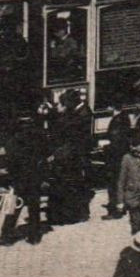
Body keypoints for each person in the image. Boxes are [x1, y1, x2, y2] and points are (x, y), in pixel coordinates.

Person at [0, 109, 50, 246]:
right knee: (34, 206)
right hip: (35, 175)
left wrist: (7, 171)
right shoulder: (40, 135)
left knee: (12, 206)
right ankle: (34, 236)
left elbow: (10, 157)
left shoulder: (16, 138)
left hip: (20, 177)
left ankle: (6, 235)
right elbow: (45, 154)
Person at [47, 88, 94, 225]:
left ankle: (79, 214)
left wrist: (55, 114)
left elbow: (67, 132)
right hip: (72, 154)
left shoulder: (80, 115)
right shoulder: (75, 113)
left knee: (76, 185)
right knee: (74, 184)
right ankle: (76, 213)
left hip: (75, 155)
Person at [104, 105, 140, 219]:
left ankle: (115, 209)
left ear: (113, 107)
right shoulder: (125, 117)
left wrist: (106, 147)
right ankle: (123, 204)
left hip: (115, 156)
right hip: (122, 154)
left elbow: (115, 141)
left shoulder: (116, 120)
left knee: (114, 182)